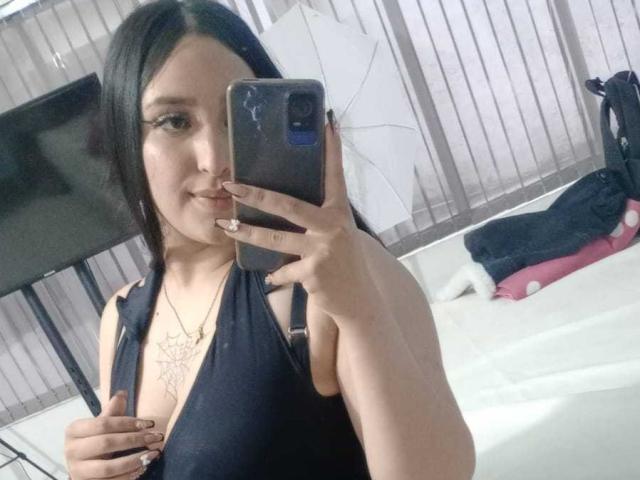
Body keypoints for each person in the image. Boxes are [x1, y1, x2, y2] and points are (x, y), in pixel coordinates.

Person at [63, 1, 475, 478]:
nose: (215, 158)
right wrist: (94, 467)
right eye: (175, 121)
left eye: (242, 115)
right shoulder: (120, 317)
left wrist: (361, 311)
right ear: (125, 140)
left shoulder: (333, 277)